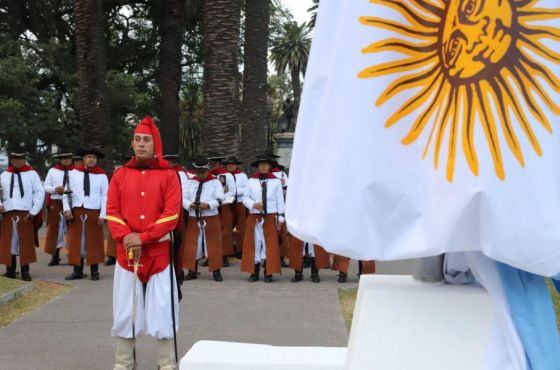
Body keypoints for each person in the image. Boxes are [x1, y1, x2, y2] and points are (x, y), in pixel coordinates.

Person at [106, 115, 181, 370]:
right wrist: (126, 236)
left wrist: (144, 236)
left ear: (155, 144)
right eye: (137, 139)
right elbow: (112, 211)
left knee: (162, 309)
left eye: (146, 140)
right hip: (127, 253)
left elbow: (171, 215)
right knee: (126, 309)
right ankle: (123, 363)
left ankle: (167, 363)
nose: (140, 144)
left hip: (158, 253)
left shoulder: (169, 176)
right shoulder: (120, 175)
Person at [63, 148, 108, 281]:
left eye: (94, 158)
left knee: (94, 242)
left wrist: (103, 215)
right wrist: (67, 209)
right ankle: (77, 271)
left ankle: (94, 271)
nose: (91, 160)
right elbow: (66, 194)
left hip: (94, 211)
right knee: (76, 241)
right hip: (77, 211)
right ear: (83, 159)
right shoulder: (73, 174)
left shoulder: (102, 176)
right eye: (89, 157)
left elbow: (105, 197)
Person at [0, 152, 45, 281]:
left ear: (25, 160)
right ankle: (10, 271)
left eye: (21, 159)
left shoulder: (32, 174)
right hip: (8, 213)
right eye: (15, 159)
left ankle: (25, 272)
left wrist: (34, 211)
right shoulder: (4, 175)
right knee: (9, 243)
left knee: (25, 243)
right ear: (11, 160)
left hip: (25, 213)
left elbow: (39, 192)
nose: (18, 161)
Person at [241, 154, 285, 283]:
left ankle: (268, 272)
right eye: (261, 164)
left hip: (270, 217)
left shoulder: (276, 182)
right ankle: (254, 272)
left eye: (266, 164)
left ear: (270, 166)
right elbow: (244, 198)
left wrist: (281, 218)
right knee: (254, 244)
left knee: (269, 246)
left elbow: (280, 201)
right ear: (258, 166)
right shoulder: (251, 181)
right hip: (254, 216)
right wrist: (253, 204)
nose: (264, 166)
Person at [183, 157, 225, 282]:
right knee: (192, 244)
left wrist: (208, 205)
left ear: (207, 170)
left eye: (203, 172)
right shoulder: (190, 182)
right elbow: (183, 197)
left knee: (213, 244)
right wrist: (189, 204)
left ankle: (216, 271)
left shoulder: (215, 182)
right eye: (198, 172)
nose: (200, 174)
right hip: (193, 216)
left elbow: (220, 198)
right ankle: (192, 271)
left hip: (210, 216)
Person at [43, 150, 74, 266]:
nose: (66, 160)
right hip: (56, 203)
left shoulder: (76, 171)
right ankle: (55, 256)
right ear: (60, 160)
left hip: (71, 203)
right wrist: (55, 188)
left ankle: (72, 255)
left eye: (68, 158)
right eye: (64, 158)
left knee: (71, 230)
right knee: (55, 229)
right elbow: (45, 186)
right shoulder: (52, 171)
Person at [209, 155, 236, 267]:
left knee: (225, 231)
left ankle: (224, 256)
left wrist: (221, 197)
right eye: (212, 163)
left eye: (216, 163)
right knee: (212, 231)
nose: (214, 166)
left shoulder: (227, 175)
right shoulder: (209, 175)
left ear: (220, 164)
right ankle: (211, 256)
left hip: (224, 205)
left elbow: (232, 191)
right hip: (211, 207)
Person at [223, 156, 248, 258]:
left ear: (236, 165)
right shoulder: (223, 175)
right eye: (228, 164)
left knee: (241, 227)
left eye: (232, 164)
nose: (230, 166)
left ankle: (240, 250)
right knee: (226, 227)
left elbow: (246, 188)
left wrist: (234, 191)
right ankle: (227, 250)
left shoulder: (242, 175)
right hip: (227, 204)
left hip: (239, 203)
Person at [271, 162, 290, 267]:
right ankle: (266, 258)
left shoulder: (282, 174)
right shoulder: (261, 177)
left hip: (279, 205)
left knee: (281, 233)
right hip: (267, 208)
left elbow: (287, 189)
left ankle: (281, 257)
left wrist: (283, 184)